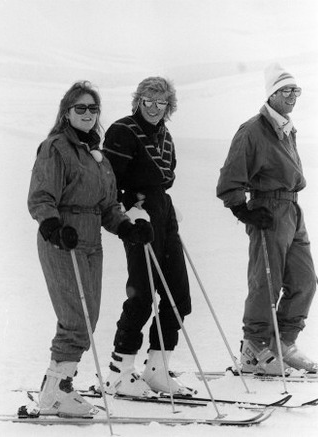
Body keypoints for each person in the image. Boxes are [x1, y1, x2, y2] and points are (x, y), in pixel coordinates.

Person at [28, 81, 154, 417]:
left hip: (90, 243)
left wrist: (127, 227)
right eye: (80, 108)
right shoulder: (56, 147)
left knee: (87, 318)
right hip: (62, 240)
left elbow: (108, 206)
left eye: (93, 108)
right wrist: (53, 226)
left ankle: (60, 385)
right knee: (74, 319)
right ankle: (56, 393)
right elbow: (42, 196)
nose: (87, 114)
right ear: (67, 112)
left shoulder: (96, 156)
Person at [216, 63, 318, 375]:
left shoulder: (286, 128)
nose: (292, 95)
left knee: (304, 280)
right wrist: (243, 209)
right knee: (266, 282)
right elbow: (229, 181)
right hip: (269, 210)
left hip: (292, 210)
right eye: (286, 90)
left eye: (296, 90)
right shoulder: (253, 131)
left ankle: (282, 343)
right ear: (271, 94)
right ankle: (255, 349)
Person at [102, 76, 193, 396]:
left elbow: (165, 178)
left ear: (170, 106)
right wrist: (130, 209)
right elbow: (108, 179)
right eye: (148, 102)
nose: (154, 108)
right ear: (138, 101)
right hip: (137, 214)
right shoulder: (123, 131)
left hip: (162, 212)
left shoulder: (165, 136)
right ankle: (119, 369)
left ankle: (157, 367)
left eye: (161, 103)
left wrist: (164, 206)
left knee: (178, 294)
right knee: (142, 292)